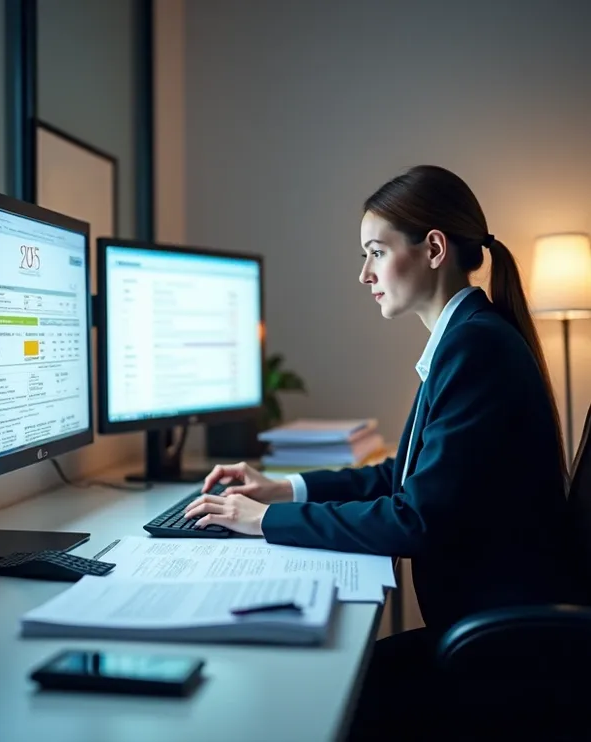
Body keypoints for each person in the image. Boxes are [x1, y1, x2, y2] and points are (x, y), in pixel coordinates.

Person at [183, 165, 585, 739]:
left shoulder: (476, 348)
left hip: (503, 654)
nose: (365, 273)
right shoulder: (466, 336)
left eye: (375, 251)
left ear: (434, 249)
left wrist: (267, 520)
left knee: (317, 700)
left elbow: (415, 518)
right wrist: (286, 489)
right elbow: (406, 477)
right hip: (488, 631)